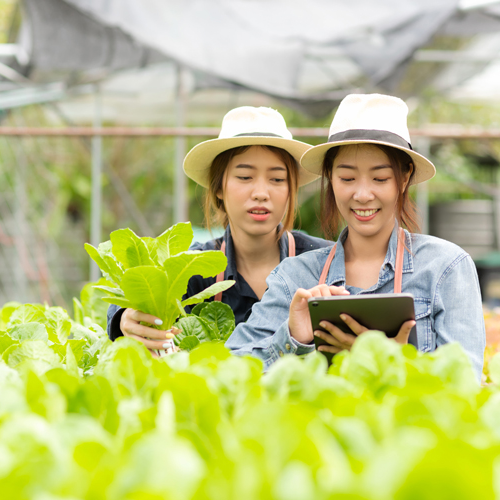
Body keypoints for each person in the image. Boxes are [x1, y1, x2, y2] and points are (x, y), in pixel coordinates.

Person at [225, 94, 486, 380]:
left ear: (404, 178)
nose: (362, 195)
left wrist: (396, 363)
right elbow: (232, 369)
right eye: (347, 178)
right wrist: (293, 339)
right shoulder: (296, 277)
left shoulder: (445, 268)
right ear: (330, 177)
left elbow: (465, 385)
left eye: (380, 178)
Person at [106, 106, 332, 353]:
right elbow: (136, 290)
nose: (261, 193)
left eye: (277, 179)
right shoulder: (194, 267)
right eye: (245, 177)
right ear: (218, 188)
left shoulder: (325, 261)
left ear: (291, 188)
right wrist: (125, 317)